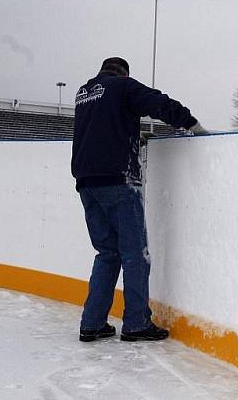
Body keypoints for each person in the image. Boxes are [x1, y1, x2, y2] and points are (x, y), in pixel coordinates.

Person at [72, 56, 208, 343]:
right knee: (135, 255)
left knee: (107, 254)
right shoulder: (122, 87)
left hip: (86, 184)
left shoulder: (84, 94)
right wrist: (192, 125)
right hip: (118, 179)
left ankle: (92, 323)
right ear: (124, 73)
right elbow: (157, 102)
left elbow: (103, 128)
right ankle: (136, 323)